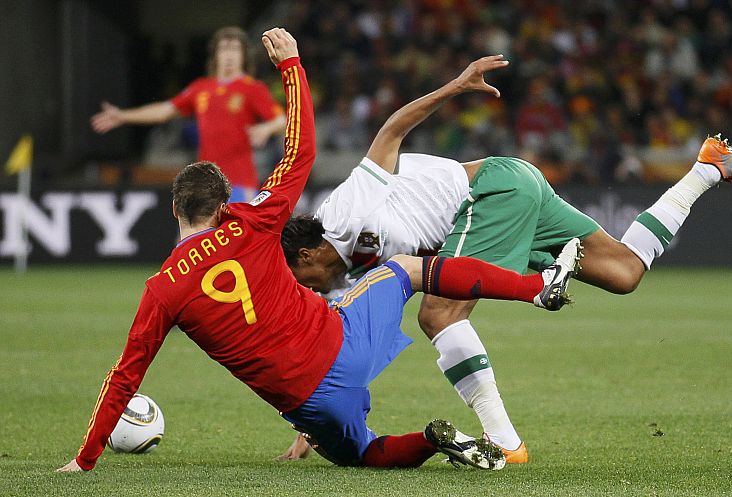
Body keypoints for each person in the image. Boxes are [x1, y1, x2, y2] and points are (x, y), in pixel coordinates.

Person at [57, 28, 581, 473]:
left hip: (309, 405)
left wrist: (84, 459)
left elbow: (126, 373)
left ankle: (429, 440)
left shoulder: (162, 289)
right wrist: (291, 67)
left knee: (362, 454)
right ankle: (538, 288)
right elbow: (300, 150)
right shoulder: (256, 224)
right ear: (223, 207)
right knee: (405, 270)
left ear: (175, 209)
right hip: (344, 346)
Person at [279, 55, 732, 463]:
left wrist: (455, 86)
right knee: (624, 272)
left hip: (489, 192)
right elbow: (352, 355)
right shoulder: (343, 279)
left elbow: (389, 133)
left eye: (299, 277)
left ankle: (507, 444)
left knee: (439, 311)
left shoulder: (340, 215)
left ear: (306, 254)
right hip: (515, 186)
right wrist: (317, 424)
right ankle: (708, 169)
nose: (307, 289)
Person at [91, 26, 286, 202]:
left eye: (235, 49)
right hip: (205, 185)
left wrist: (266, 128)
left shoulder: (252, 89)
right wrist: (123, 116)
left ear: (244, 55)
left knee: (237, 240)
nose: (229, 55)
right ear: (215, 54)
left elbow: (282, 120)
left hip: (239, 184)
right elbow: (164, 111)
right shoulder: (201, 88)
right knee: (190, 240)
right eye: (224, 48)